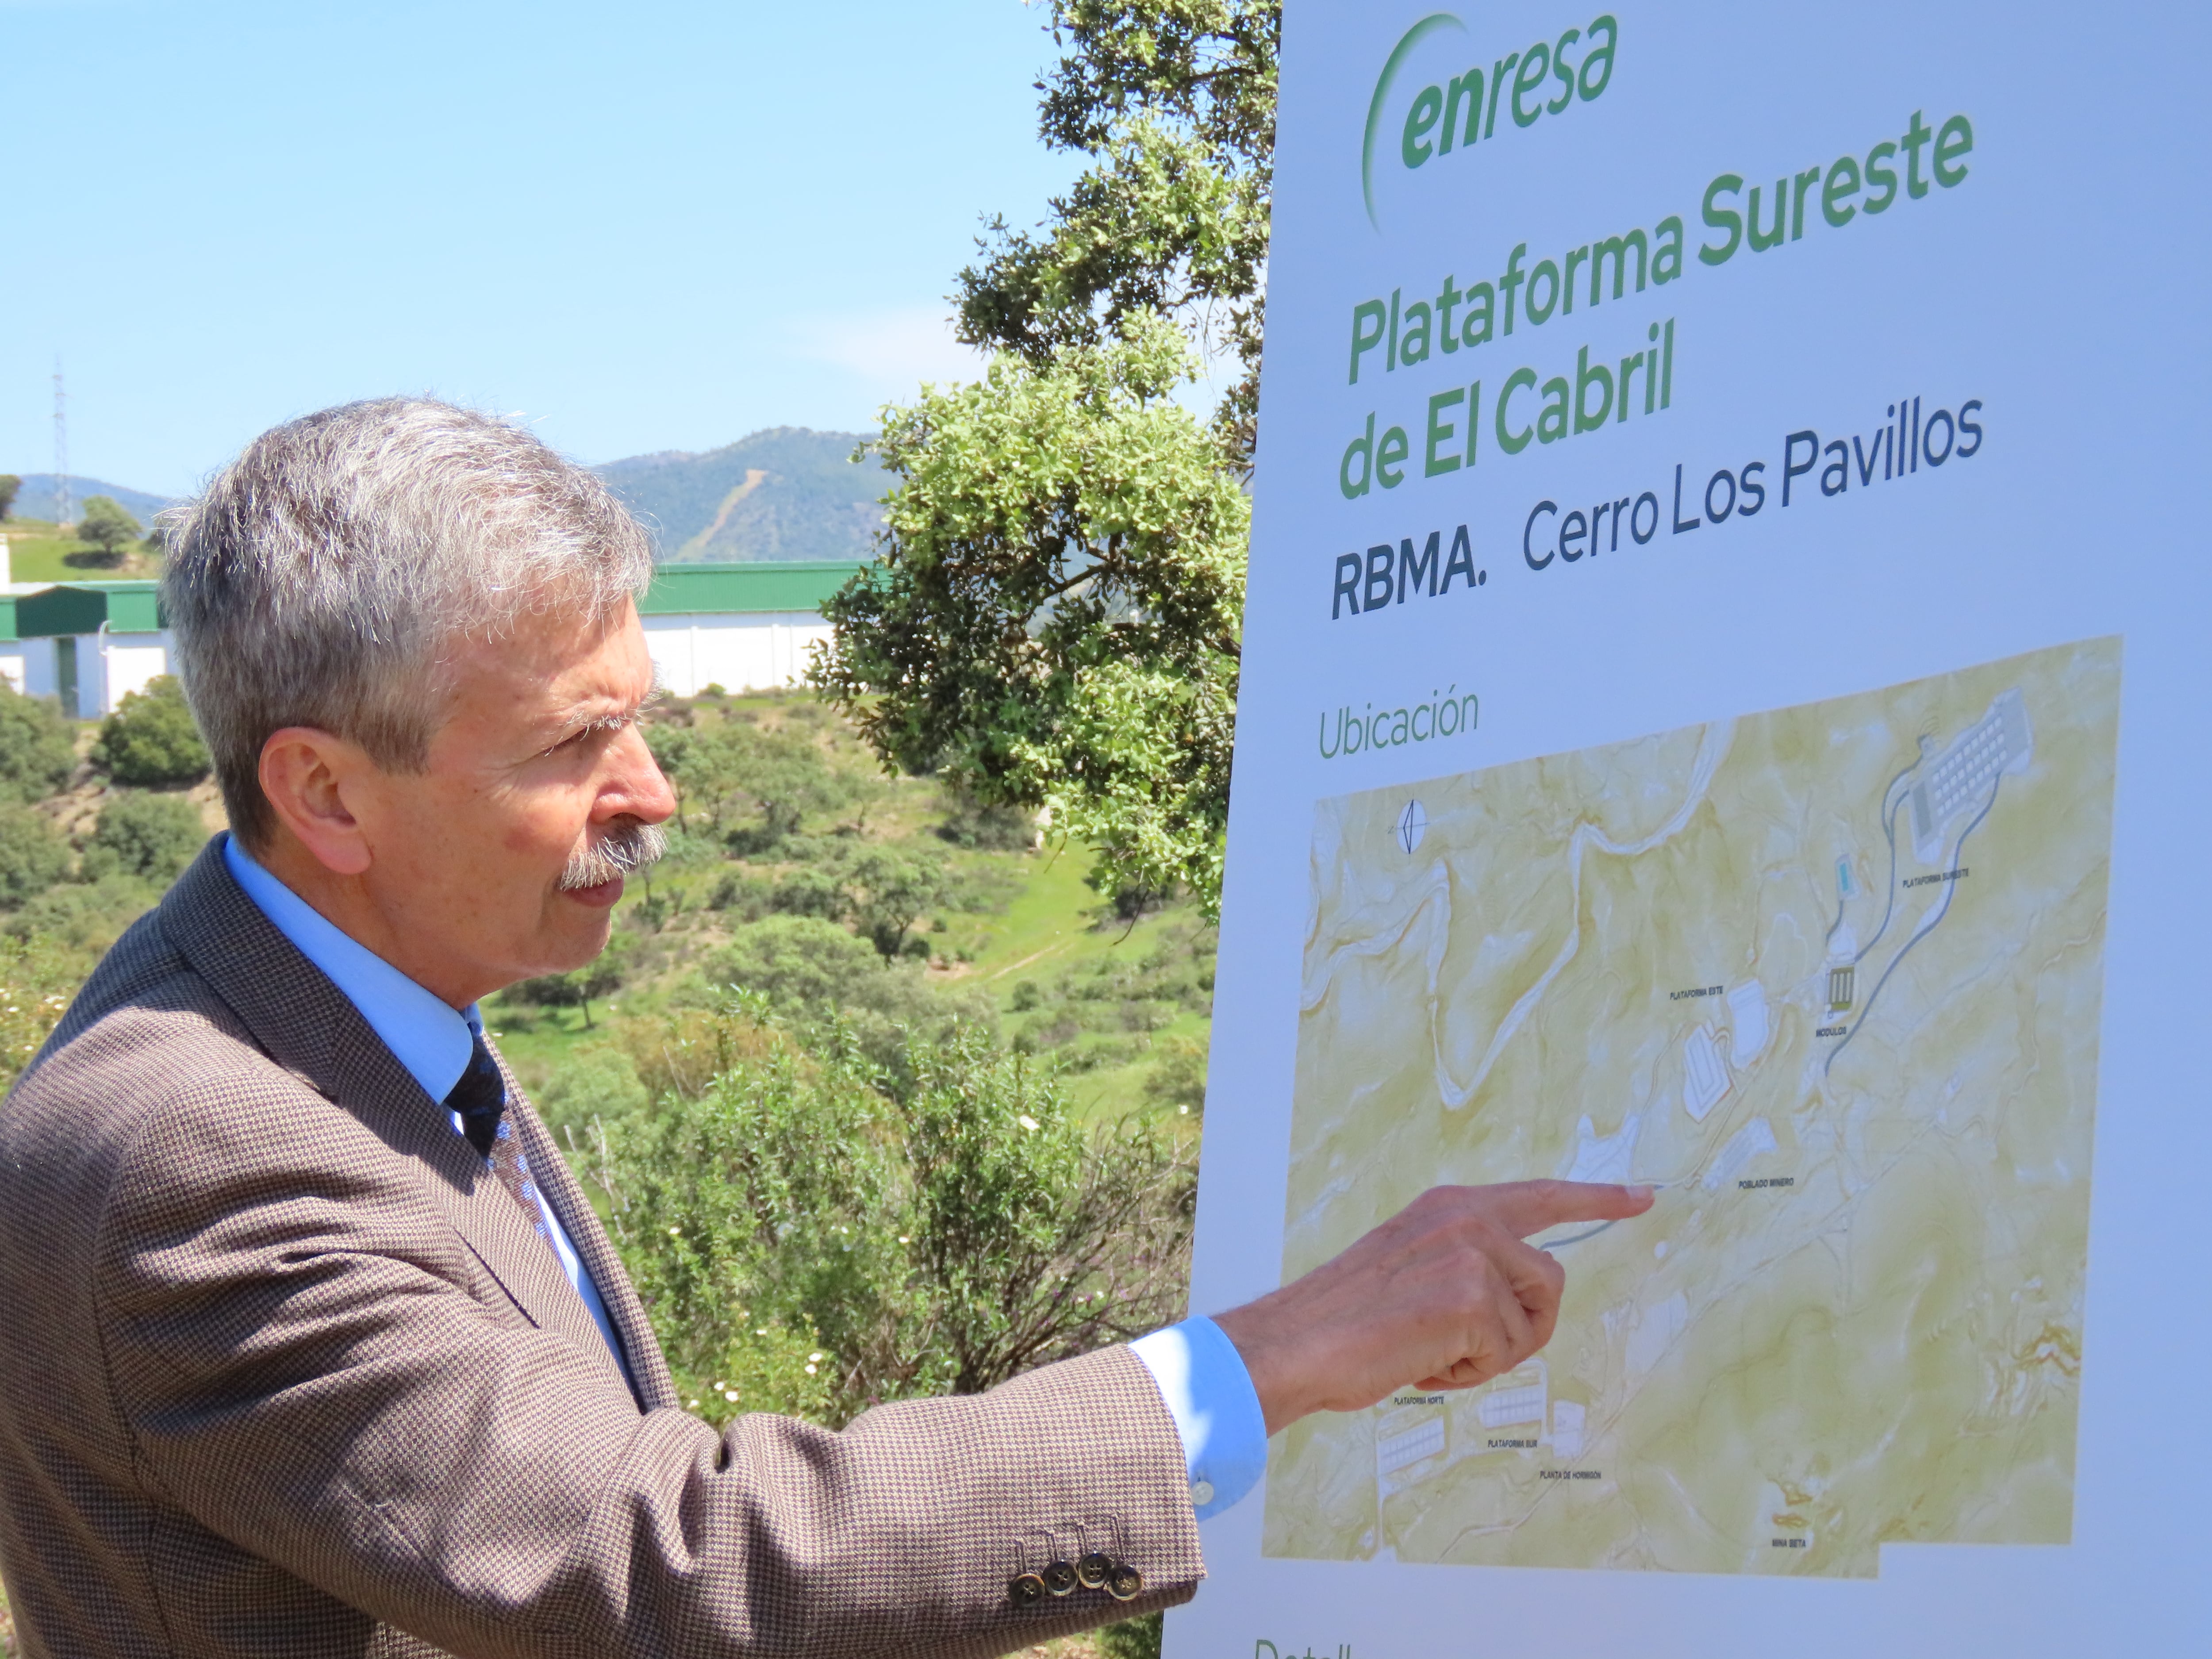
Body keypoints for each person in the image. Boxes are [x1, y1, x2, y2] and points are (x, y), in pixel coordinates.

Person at [0, 399, 1651, 1659]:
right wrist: (1275, 1358)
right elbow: (678, 1558)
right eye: (577, 747)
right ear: (325, 793)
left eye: (638, 719)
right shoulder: (190, 1154)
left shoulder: (344, 1013)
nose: (654, 796)